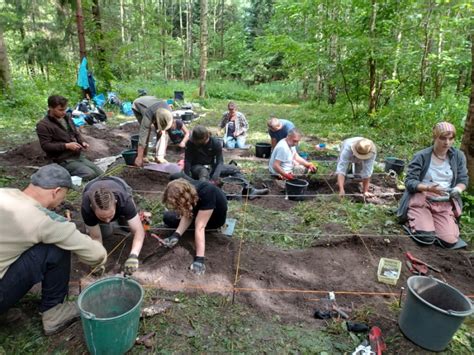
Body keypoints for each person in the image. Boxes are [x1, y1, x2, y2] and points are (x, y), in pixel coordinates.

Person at [0, 164, 107, 334]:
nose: (60, 203)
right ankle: (53, 312)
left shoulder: (3, 193)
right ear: (56, 191)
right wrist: (100, 259)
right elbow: (96, 254)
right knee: (55, 246)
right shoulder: (43, 221)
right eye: (62, 197)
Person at [397, 122, 468, 248]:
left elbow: (463, 179)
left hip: (444, 200)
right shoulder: (421, 156)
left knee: (449, 241)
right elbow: (410, 182)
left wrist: (457, 190)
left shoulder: (458, 156)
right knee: (425, 237)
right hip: (422, 198)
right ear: (435, 137)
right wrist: (429, 188)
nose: (447, 142)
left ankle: (438, 223)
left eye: (450, 138)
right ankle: (414, 219)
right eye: (442, 138)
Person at [160, 179, 228, 275]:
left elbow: (200, 226)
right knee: (168, 217)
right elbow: (188, 213)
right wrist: (176, 235)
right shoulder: (188, 190)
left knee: (197, 227)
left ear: (184, 197)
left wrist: (199, 259)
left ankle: (200, 254)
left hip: (214, 219)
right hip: (198, 212)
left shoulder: (207, 191)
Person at [181, 125, 268, 199]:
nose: (195, 142)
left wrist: (216, 175)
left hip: (211, 166)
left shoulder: (215, 143)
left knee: (234, 169)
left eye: (197, 141)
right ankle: (201, 194)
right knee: (203, 172)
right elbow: (187, 161)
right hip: (197, 167)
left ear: (204, 137)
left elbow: (220, 161)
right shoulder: (190, 143)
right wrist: (187, 178)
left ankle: (249, 190)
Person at [81, 176, 145, 275]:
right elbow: (96, 237)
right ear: (92, 208)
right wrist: (98, 260)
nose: (107, 220)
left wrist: (133, 255)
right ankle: (110, 218)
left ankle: (122, 216)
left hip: (118, 184)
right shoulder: (86, 207)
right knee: (105, 233)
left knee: (129, 227)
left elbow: (139, 231)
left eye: (110, 216)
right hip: (91, 186)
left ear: (115, 203)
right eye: (102, 217)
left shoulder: (124, 200)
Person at [36, 95, 103, 180]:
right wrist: (66, 146)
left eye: (65, 109)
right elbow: (46, 146)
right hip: (61, 160)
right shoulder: (43, 125)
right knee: (89, 174)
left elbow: (75, 133)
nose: (63, 112)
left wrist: (81, 142)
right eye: (60, 110)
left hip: (76, 156)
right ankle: (60, 178)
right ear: (50, 108)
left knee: (100, 174)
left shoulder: (67, 117)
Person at [132, 95, 173, 166]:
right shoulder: (148, 114)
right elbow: (143, 135)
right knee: (146, 131)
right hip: (139, 104)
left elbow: (165, 128)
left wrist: (162, 129)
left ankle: (159, 157)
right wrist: (139, 157)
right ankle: (144, 156)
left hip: (153, 104)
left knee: (162, 132)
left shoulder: (168, 112)